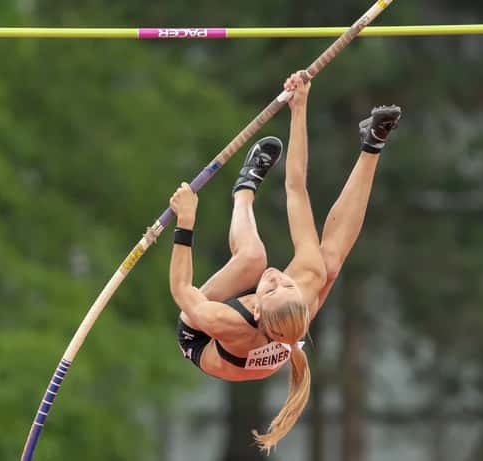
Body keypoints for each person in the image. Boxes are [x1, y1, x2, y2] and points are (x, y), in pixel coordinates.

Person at [169, 73, 401, 452]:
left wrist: (185, 221)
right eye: (284, 283)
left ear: (256, 307)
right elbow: (296, 187)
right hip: (277, 330)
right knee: (328, 264)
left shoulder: (223, 320)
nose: (278, 277)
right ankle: (373, 144)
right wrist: (299, 106)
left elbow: (182, 290)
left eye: (271, 287)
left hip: (202, 339)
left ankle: (243, 190)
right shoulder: (304, 289)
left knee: (253, 258)